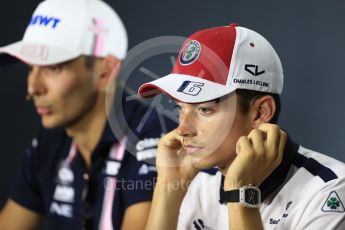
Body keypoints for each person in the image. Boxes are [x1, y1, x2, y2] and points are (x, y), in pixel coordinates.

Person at [138, 23, 345, 229]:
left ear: (260, 112)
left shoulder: (330, 190)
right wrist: (169, 187)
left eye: (204, 110)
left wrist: (241, 192)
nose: (183, 129)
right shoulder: (196, 181)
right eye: (180, 108)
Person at [0, 0, 176, 229]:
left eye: (53, 67)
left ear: (105, 72)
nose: (33, 87)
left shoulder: (155, 138)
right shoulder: (51, 140)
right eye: (31, 68)